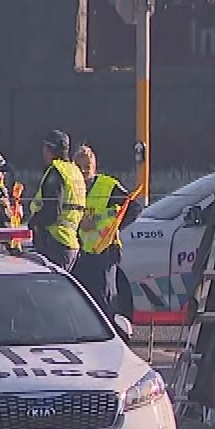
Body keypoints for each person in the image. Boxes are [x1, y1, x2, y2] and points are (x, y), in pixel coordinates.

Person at [71, 144, 133, 322]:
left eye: (87, 168)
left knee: (106, 300)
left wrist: (111, 229)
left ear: (94, 167)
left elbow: (132, 207)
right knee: (83, 302)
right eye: (79, 168)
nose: (83, 172)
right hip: (80, 252)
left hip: (104, 252)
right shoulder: (72, 189)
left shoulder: (107, 186)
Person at [29, 130, 87, 271]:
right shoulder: (75, 171)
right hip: (71, 241)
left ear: (49, 149)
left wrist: (34, 222)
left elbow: (52, 212)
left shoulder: (56, 171)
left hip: (55, 241)